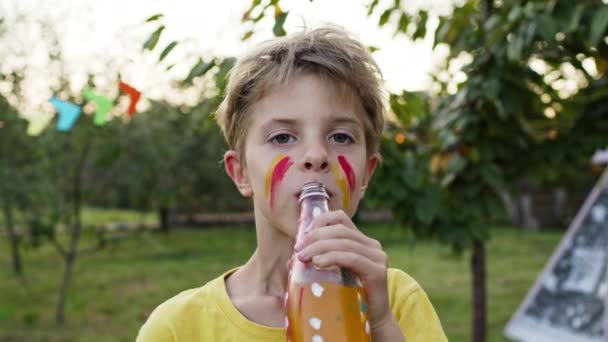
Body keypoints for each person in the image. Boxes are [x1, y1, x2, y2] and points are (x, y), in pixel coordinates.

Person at [137, 25, 448, 341]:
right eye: (282, 137)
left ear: (366, 173)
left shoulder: (396, 302)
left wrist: (380, 324)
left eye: (340, 136)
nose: (316, 155)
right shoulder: (178, 328)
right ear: (241, 172)